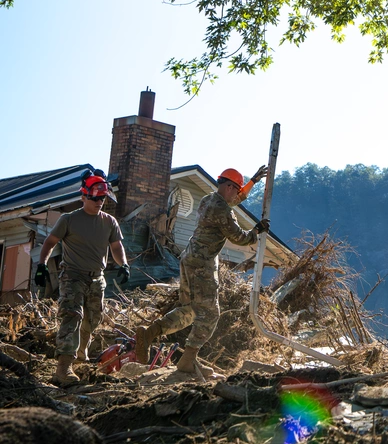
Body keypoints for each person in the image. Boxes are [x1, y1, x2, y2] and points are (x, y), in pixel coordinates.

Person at [139, 166, 268, 380]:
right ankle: (188, 361)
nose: (237, 194)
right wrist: (256, 231)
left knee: (189, 309)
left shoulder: (209, 199)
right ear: (228, 187)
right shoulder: (222, 211)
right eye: (236, 190)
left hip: (189, 259)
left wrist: (251, 182)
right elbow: (240, 238)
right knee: (209, 314)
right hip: (202, 264)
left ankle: (150, 333)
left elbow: (234, 200)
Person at [35, 173, 130, 387]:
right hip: (73, 275)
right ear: (84, 196)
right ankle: (63, 369)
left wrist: (123, 264)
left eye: (102, 199)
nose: (99, 202)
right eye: (95, 198)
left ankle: (80, 356)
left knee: (93, 319)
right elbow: (50, 242)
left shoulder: (109, 221)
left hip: (97, 279)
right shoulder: (69, 220)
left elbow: (116, 247)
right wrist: (41, 265)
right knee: (72, 317)